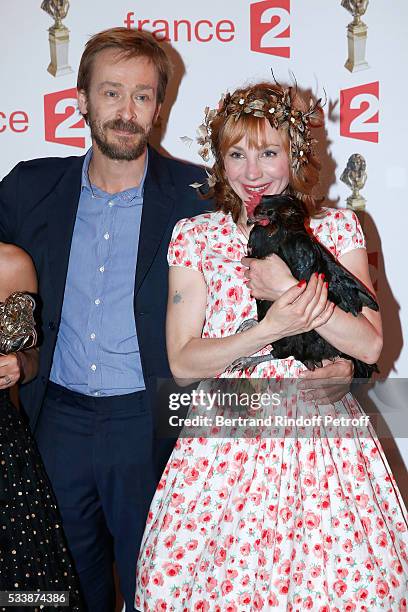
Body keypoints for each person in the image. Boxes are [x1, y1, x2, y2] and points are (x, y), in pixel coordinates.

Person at [135, 82, 408, 610]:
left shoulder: (337, 227)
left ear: (295, 154)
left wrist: (287, 291)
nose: (252, 172)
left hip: (324, 445)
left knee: (347, 588)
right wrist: (269, 329)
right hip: (223, 446)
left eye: (268, 152)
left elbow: (371, 347)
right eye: (236, 154)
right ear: (219, 160)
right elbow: (183, 361)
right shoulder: (196, 236)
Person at [0, 27, 211, 612]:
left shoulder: (200, 198)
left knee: (158, 590)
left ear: (160, 107)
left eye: (142, 96)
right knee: (60, 593)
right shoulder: (29, 188)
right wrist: (16, 352)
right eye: (111, 93)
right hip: (56, 423)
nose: (126, 111)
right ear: (81, 100)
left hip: (150, 427)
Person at [0, 243, 84, 610]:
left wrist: (19, 363)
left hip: (3, 453)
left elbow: (30, 356)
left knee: (24, 592)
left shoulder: (10, 264)